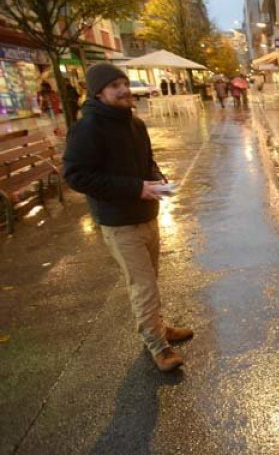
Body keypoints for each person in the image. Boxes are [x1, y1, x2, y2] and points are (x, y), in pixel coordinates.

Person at [63, 63, 193, 373]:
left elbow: (147, 162)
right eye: (114, 86)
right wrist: (136, 188)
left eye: (124, 83)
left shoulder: (135, 124)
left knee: (151, 279)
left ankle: (158, 326)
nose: (123, 90)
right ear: (99, 92)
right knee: (143, 285)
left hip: (147, 215)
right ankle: (157, 344)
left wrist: (157, 180)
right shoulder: (88, 127)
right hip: (119, 222)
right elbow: (76, 175)